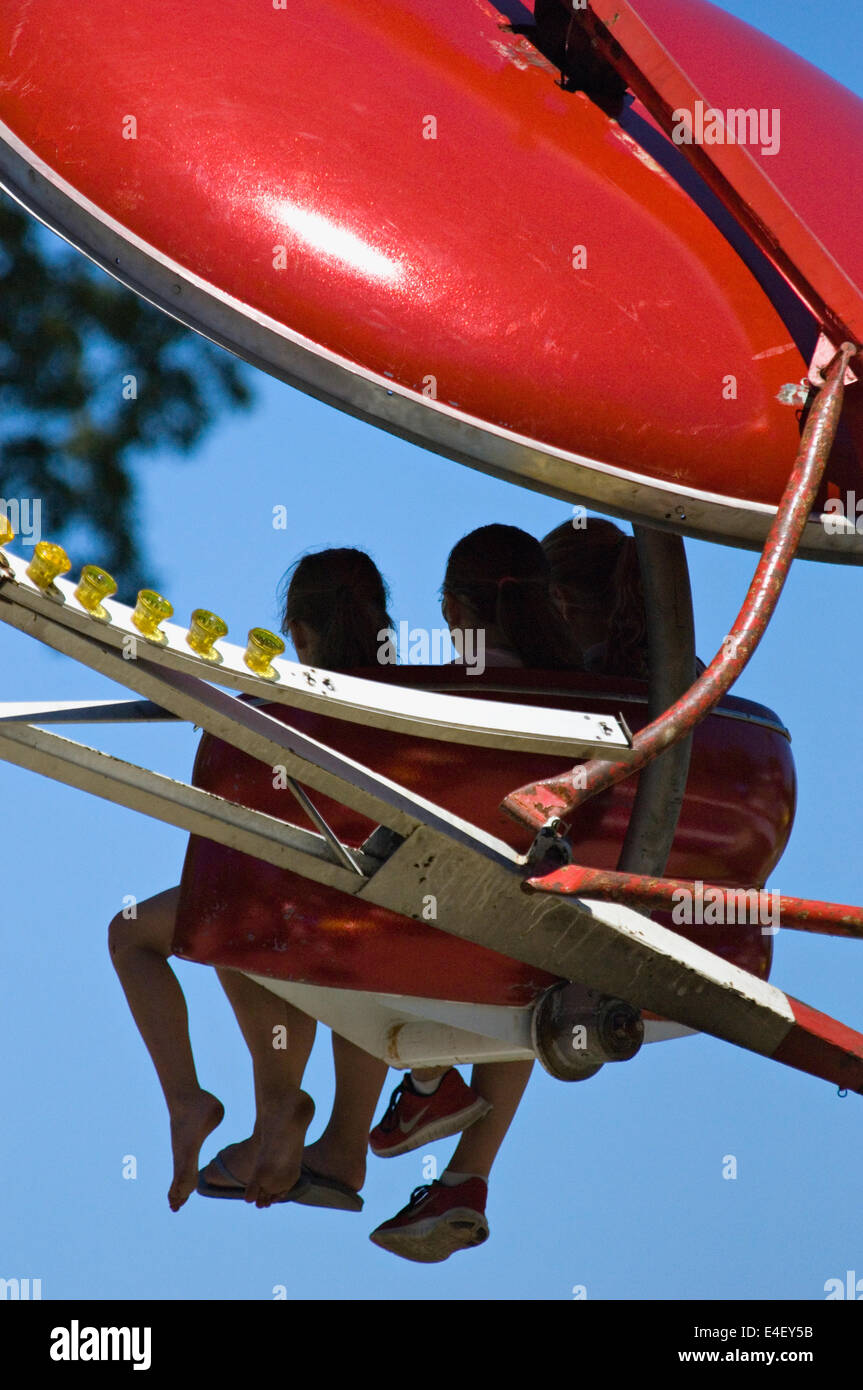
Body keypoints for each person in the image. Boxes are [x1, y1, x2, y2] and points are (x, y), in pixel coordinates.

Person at [109, 547, 395, 1211]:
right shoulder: (427, 694)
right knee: (297, 913)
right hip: (394, 919)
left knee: (150, 928)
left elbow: (220, 815)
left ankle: (215, 1103)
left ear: (295, 630)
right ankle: (327, 1138)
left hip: (286, 906)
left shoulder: (268, 708)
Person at [366, 523, 583, 1262]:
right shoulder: (596, 688)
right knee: (537, 948)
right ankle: (463, 1169)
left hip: (461, 911)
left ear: (455, 609)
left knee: (343, 893)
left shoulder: (456, 688)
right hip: (568, 920)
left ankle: (425, 1078)